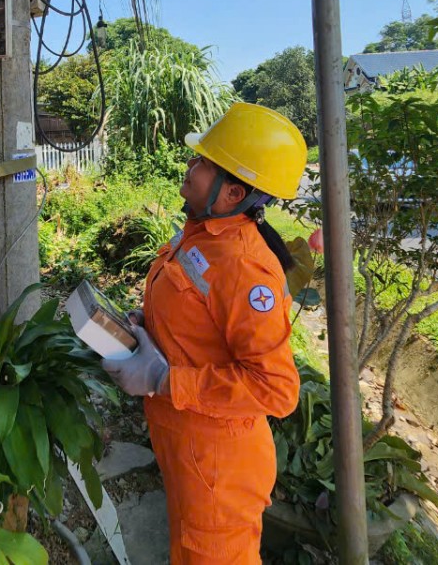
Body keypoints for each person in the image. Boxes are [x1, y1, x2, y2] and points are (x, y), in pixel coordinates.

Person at [102, 102, 306, 564]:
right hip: (186, 449)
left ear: (233, 192)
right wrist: (147, 325)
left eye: (201, 162)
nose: (190, 168)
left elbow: (275, 389)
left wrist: (162, 379)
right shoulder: (203, 233)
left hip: (218, 470)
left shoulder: (245, 269)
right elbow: (195, 313)